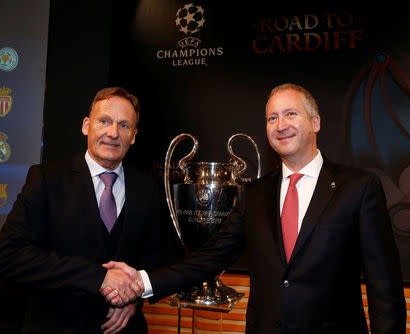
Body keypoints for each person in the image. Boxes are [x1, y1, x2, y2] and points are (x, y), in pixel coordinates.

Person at [101, 83, 407, 333]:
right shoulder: (255, 194)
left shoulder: (358, 187)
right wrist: (143, 282)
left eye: (290, 114)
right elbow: (210, 258)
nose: (281, 125)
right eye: (272, 118)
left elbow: (385, 287)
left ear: (315, 122)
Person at [0, 87, 177, 334]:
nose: (113, 133)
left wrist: (134, 298)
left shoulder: (147, 187)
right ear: (86, 125)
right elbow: (8, 257)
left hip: (124, 329)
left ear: (133, 136)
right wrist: (98, 278)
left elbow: (159, 259)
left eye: (124, 126)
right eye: (104, 121)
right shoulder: (47, 179)